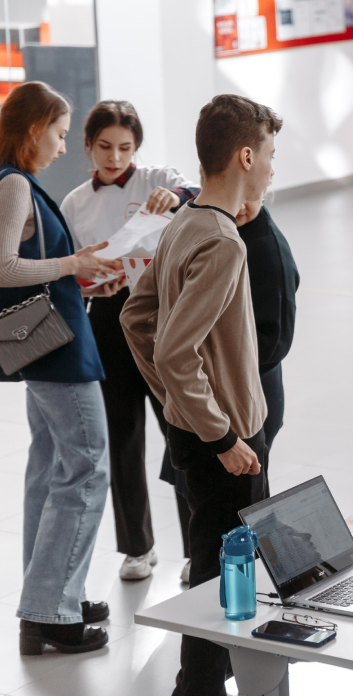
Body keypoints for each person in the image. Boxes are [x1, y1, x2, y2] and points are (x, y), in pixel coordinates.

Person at [121, 94, 279, 696]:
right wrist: (221, 434)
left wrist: (180, 407)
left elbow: (136, 318)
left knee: (212, 572)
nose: (271, 168)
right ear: (245, 157)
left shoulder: (184, 223)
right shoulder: (222, 241)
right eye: (269, 155)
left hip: (202, 434)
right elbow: (171, 350)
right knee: (223, 584)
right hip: (228, 444)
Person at [0, 82, 121, 655]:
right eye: (60, 133)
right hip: (58, 351)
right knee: (87, 468)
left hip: (46, 344)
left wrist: (85, 280)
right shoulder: (15, 184)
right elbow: (4, 268)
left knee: (50, 470)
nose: (63, 145)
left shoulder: (16, 182)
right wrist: (74, 262)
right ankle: (50, 609)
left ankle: (48, 596)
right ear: (34, 129)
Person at [59, 100, 199, 581]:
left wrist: (174, 197)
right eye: (104, 147)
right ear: (88, 146)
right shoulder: (75, 202)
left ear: (137, 146)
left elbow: (197, 194)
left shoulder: (157, 180)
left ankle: (196, 548)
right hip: (107, 319)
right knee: (122, 436)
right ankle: (138, 548)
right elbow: (72, 273)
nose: (114, 157)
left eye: (125, 147)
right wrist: (91, 281)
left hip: (160, 317)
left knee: (179, 432)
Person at [160, 193, 300, 585]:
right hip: (211, 401)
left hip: (244, 401)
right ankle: (205, 569)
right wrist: (181, 391)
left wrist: (205, 378)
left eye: (248, 195)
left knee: (235, 525)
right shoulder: (204, 229)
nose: (238, 205)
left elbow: (274, 343)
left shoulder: (263, 247)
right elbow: (139, 320)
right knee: (214, 523)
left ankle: (224, 580)